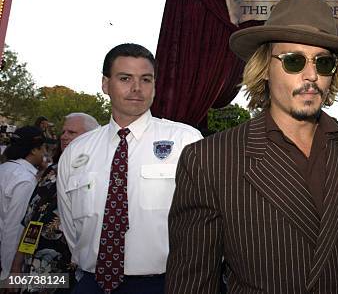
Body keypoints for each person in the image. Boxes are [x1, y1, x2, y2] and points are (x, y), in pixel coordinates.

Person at [165, 0, 338, 293]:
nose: (311, 76)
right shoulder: (209, 160)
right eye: (294, 60)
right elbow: (191, 283)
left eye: (323, 62)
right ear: (264, 69)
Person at [57, 43, 203, 294]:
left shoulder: (185, 141)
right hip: (93, 283)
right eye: (125, 78)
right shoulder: (76, 151)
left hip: (166, 284)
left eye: (146, 79)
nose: (137, 88)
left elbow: (207, 219)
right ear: (105, 84)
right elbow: (70, 226)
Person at [9, 113, 100, 293]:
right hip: (32, 272)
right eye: (63, 131)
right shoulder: (51, 171)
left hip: (70, 275)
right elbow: (31, 220)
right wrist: (16, 268)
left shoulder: (98, 174)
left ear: (92, 137)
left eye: (71, 132)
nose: (64, 136)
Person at [0, 127, 50, 281]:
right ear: (34, 150)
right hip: (7, 260)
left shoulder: (4, 169)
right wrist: (9, 273)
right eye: (43, 149)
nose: (45, 154)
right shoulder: (25, 180)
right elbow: (15, 227)